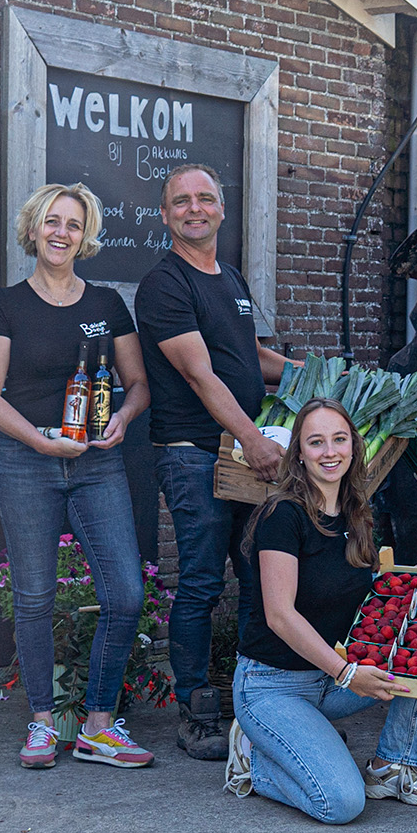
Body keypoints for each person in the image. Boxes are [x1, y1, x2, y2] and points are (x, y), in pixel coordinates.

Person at [0, 182, 153, 770]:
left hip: (98, 460)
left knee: (125, 592)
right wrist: (41, 440)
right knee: (34, 597)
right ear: (34, 229)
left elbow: (138, 385)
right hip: (27, 461)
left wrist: (123, 418)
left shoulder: (104, 304)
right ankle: (44, 723)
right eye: (52, 221)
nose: (61, 232)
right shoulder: (5, 305)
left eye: (73, 224)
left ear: (85, 235)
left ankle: (99, 723)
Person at [135, 163, 297, 762]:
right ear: (165, 213)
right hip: (195, 453)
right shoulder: (165, 284)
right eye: (182, 201)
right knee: (202, 581)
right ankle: (196, 710)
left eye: (205, 199)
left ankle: (256, 694)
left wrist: (320, 379)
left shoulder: (228, 277)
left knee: (256, 574)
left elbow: (249, 356)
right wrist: (255, 440)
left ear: (222, 210)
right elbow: (201, 375)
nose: (194, 209)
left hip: (238, 454)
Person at [232, 398, 417, 823]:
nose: (329, 451)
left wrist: (407, 586)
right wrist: (346, 672)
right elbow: (279, 615)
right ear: (299, 452)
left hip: (331, 677)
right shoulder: (282, 516)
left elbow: (362, 598)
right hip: (272, 686)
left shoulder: (355, 513)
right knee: (341, 803)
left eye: (339, 439)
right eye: (316, 442)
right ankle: (253, 761)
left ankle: (392, 766)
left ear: (353, 447)